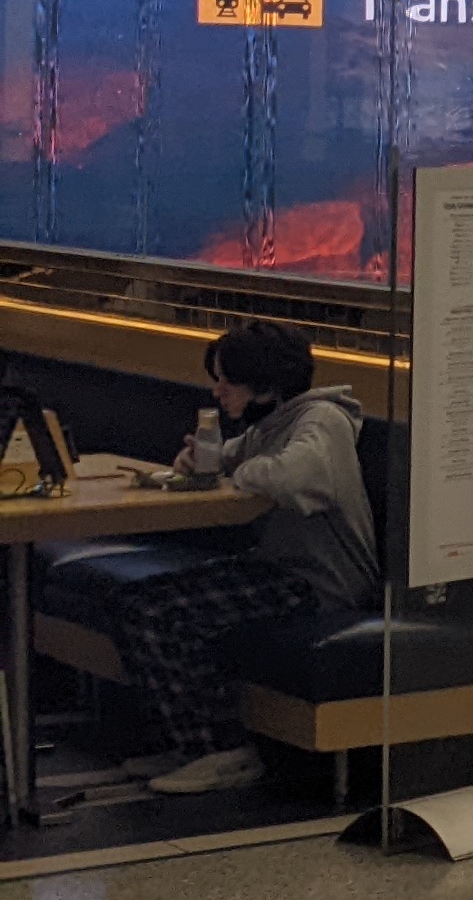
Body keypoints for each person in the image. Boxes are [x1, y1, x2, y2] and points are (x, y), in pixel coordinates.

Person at [54, 321, 376, 800]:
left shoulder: (322, 419)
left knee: (156, 611)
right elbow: (224, 458)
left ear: (266, 385)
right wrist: (198, 461)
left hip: (322, 583)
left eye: (228, 381)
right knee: (132, 600)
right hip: (279, 572)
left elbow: (292, 477)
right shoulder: (271, 425)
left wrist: (235, 470)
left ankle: (225, 750)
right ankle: (192, 745)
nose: (218, 390)